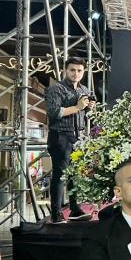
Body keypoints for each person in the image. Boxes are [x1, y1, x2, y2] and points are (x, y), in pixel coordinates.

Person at [44, 56, 94, 223]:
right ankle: (56, 214)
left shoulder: (84, 90)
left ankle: (74, 209)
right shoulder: (56, 89)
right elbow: (54, 112)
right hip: (60, 135)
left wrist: (88, 109)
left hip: (78, 136)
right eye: (72, 70)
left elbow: (84, 115)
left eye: (79, 71)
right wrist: (77, 107)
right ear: (65, 70)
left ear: (84, 72)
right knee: (60, 175)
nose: (76, 73)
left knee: (74, 175)